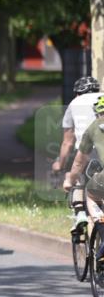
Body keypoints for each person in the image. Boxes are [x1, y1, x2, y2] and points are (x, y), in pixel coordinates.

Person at [53, 76, 101, 237]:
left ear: (77, 93)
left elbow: (67, 142)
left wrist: (60, 164)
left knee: (76, 177)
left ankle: (80, 213)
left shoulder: (73, 104)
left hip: (86, 153)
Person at [65, 94, 104, 256]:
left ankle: (100, 226)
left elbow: (79, 163)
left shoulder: (95, 126)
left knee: (91, 195)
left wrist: (69, 180)